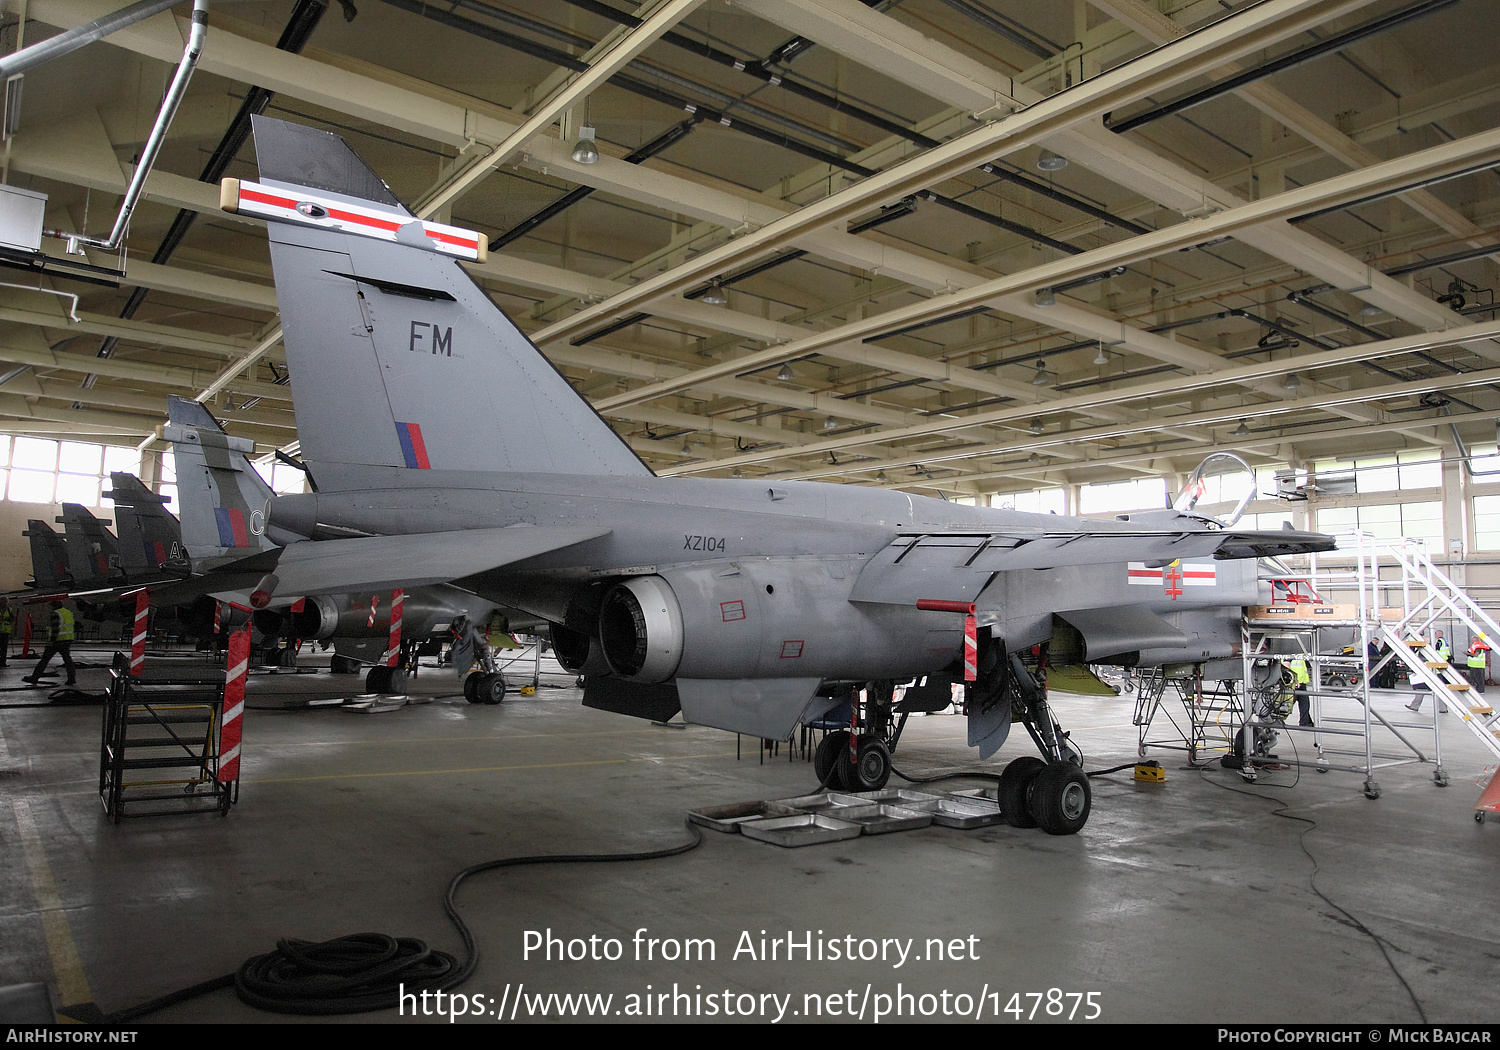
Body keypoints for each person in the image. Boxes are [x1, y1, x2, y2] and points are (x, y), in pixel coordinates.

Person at [23, 601, 76, 686]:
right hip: (68, 639)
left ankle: (35, 677)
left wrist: (51, 641)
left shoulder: (56, 613)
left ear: (53, 606)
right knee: (67, 660)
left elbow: (56, 628)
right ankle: (71, 678)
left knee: (44, 660)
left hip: (57, 640)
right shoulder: (68, 612)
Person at [1408, 629, 1451, 713]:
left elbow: (1420, 660)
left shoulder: (1426, 649)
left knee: (1425, 689)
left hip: (1430, 672)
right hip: (1434, 671)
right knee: (1425, 689)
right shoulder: (1437, 645)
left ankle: (1415, 706)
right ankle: (1415, 706)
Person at [1287, 656, 1313, 727]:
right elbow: (1286, 666)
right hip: (1294, 684)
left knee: (1305, 704)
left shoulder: (1302, 655)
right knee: (1288, 704)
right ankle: (1276, 720)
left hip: (1302, 684)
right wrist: (1294, 681)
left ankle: (1305, 722)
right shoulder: (1291, 653)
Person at [0, 596, 11, 668]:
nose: (5, 603)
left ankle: (3, 662)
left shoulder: (9, 610)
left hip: (5, 632)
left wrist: (6, 618)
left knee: (4, 648)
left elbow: (12, 618)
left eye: (6, 602)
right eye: (4, 602)